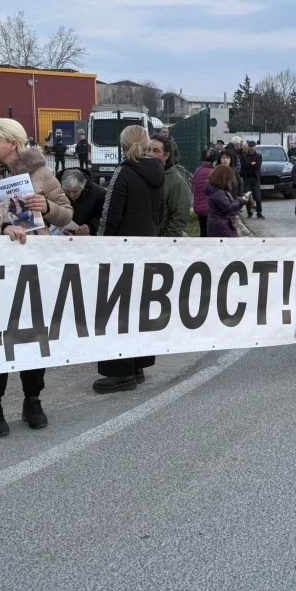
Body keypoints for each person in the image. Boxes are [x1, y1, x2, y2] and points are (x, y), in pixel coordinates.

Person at [0, 118, 74, 437]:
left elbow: (67, 212)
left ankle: (33, 399)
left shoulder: (40, 173)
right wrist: (1, 226)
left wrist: (48, 206)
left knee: (32, 334)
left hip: (34, 266)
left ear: (13, 142)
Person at [95, 125, 164, 392]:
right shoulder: (157, 172)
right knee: (140, 308)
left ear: (121, 145)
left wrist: (98, 244)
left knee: (116, 309)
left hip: (121, 251)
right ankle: (137, 365)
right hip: (148, 245)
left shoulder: (122, 173)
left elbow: (110, 215)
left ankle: (120, 371)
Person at [149, 134, 192, 237]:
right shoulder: (146, 175)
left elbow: (179, 217)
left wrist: (165, 241)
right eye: (148, 149)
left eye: (156, 151)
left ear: (166, 155)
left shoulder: (177, 182)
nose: (150, 154)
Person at [207, 164, 249, 237]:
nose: (230, 180)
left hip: (220, 224)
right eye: (229, 177)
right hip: (221, 226)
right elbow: (228, 207)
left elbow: (227, 204)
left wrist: (240, 200)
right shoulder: (218, 192)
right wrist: (242, 200)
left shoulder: (218, 189)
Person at [60, 168, 105, 235]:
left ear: (83, 186)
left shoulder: (99, 194)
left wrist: (91, 226)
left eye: (75, 191)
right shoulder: (56, 192)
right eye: (67, 191)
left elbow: (104, 216)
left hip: (88, 238)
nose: (71, 195)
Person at [192, 149, 216, 237]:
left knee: (203, 230)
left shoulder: (197, 170)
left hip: (198, 207)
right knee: (210, 233)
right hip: (209, 209)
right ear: (214, 161)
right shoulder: (214, 172)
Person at [240, 140, 264, 219]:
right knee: (247, 196)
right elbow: (244, 165)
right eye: (250, 146)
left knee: (258, 196)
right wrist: (251, 164)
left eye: (253, 146)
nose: (251, 148)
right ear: (248, 147)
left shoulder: (259, 156)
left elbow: (257, 166)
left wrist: (250, 164)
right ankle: (249, 212)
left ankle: (259, 213)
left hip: (255, 178)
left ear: (255, 147)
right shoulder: (243, 156)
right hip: (247, 178)